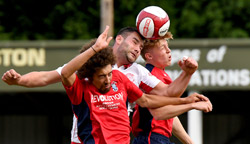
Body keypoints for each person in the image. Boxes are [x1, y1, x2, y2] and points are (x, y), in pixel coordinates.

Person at [2, 26, 212, 143]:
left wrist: (188, 75)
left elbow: (164, 94)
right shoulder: (85, 70)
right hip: (85, 139)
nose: (138, 49)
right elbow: (47, 77)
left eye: (141, 45)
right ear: (118, 40)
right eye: (135, 42)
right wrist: (19, 80)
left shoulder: (134, 72)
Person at [132, 32, 212, 144]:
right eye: (162, 48)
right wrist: (191, 105)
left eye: (168, 46)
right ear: (149, 56)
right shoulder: (149, 76)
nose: (168, 50)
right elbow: (159, 113)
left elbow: (170, 117)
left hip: (158, 138)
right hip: (150, 138)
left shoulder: (161, 75)